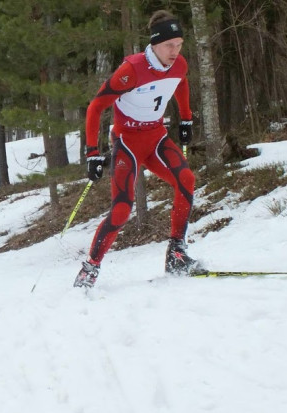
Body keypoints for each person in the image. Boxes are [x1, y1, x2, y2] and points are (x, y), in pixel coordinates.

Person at [74, 10, 201, 288]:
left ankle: (176, 255)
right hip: (127, 143)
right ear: (154, 43)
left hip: (156, 138)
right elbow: (96, 107)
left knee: (186, 181)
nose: (175, 51)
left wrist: (186, 117)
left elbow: (180, 82)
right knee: (121, 210)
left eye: (179, 45)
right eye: (169, 45)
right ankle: (89, 269)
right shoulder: (131, 70)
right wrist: (92, 153)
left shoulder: (178, 64)